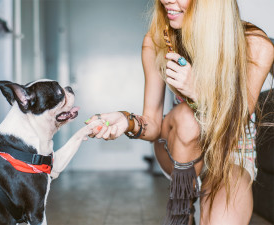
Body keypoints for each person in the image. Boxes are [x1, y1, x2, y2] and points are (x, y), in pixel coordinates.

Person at [85, 0, 274, 224]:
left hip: (229, 153)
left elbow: (235, 127)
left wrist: (200, 92)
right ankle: (181, 209)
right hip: (181, 148)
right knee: (188, 118)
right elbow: (153, 125)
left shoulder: (254, 44)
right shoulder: (156, 40)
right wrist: (126, 121)